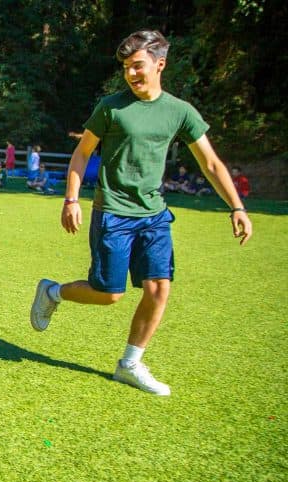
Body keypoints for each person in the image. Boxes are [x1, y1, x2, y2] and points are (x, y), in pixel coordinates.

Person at [29, 30, 252, 396]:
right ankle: (53, 292)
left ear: (159, 65)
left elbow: (211, 163)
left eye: (137, 66)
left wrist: (237, 207)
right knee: (109, 293)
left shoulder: (180, 112)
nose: (131, 74)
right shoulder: (111, 107)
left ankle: (129, 364)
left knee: (158, 287)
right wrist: (71, 199)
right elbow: (82, 153)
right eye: (126, 68)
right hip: (113, 212)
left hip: (153, 214)